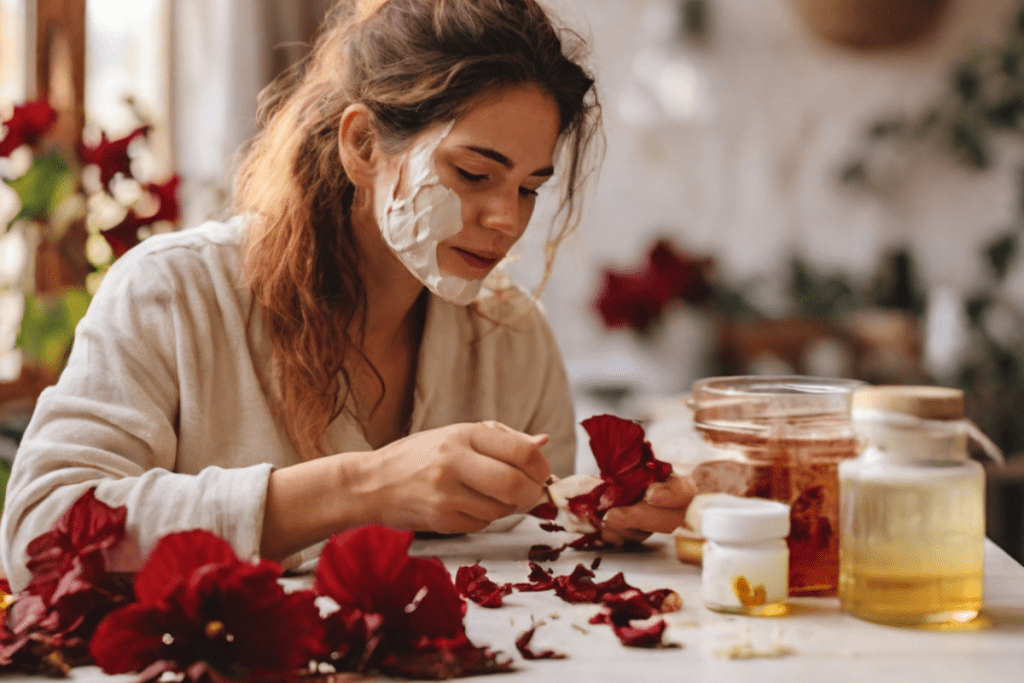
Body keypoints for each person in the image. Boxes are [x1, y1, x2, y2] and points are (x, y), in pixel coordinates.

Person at [0, 0, 696, 591]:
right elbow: (42, 536)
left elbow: (536, 580)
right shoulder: (174, 294)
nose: (506, 220)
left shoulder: (512, 338)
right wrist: (363, 487)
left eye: (528, 188)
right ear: (363, 144)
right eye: (474, 172)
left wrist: (606, 516)